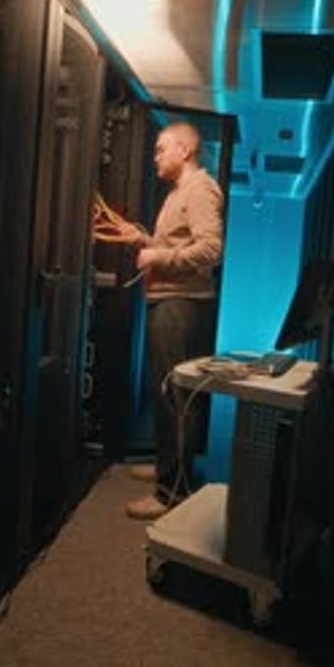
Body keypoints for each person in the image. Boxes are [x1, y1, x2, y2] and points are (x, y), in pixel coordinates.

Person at [121, 121, 224, 520]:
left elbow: (211, 249)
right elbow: (179, 247)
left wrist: (156, 257)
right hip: (171, 301)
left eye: (162, 149)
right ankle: (168, 468)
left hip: (181, 305)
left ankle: (172, 492)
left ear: (184, 150)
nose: (155, 156)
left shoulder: (199, 188)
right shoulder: (180, 192)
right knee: (166, 394)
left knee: (176, 398)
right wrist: (145, 242)